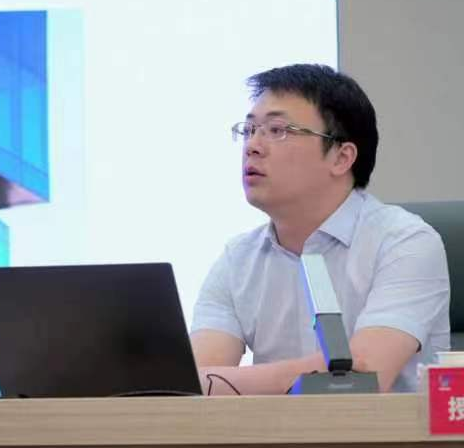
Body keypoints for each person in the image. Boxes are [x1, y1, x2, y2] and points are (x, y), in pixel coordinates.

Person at [190, 64, 449, 394]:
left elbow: (359, 378)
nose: (252, 145)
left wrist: (223, 384)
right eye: (249, 129)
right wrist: (315, 370)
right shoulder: (237, 259)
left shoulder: (405, 243)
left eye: (277, 130)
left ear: (341, 158)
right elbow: (187, 387)